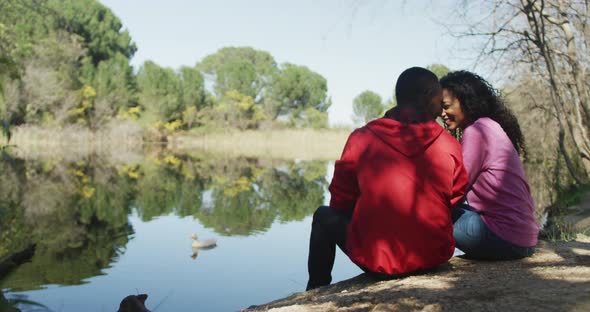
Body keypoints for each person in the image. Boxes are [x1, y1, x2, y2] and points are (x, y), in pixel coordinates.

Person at [306, 67, 468, 291]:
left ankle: (316, 291)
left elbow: (340, 202)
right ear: (426, 97)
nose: (441, 109)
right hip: (433, 257)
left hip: (378, 263)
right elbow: (455, 196)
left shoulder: (362, 138)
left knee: (323, 215)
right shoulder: (449, 144)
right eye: (439, 101)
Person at [440, 70, 539, 260]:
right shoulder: (489, 126)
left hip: (506, 239)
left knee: (429, 212)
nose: (442, 114)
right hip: (523, 237)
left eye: (446, 106)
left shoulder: (477, 132)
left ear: (465, 100)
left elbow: (456, 188)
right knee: (446, 210)